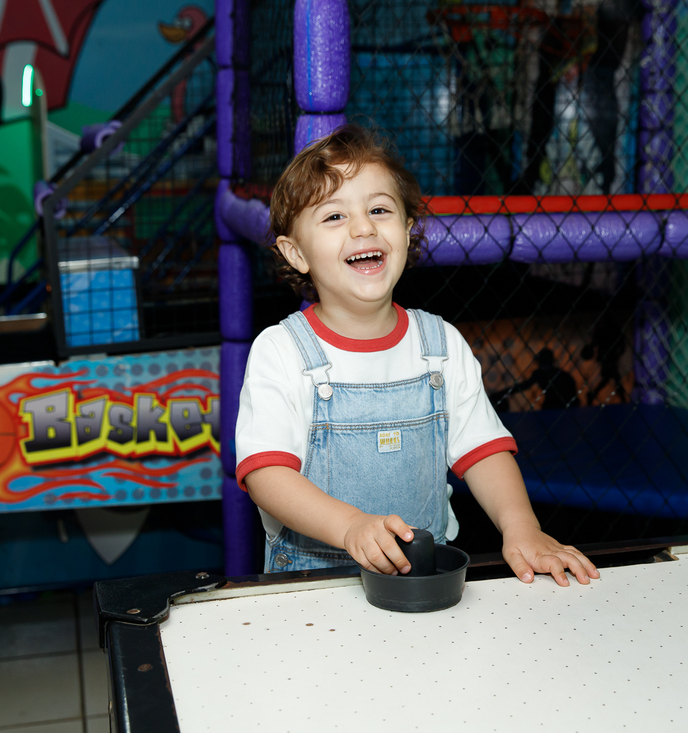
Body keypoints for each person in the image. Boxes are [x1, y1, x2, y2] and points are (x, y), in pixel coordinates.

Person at [235, 125, 598, 586]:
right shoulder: (282, 351)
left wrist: (521, 527)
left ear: (406, 232)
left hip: (423, 581)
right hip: (315, 587)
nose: (363, 227)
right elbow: (266, 474)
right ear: (296, 253)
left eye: (379, 210)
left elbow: (484, 451)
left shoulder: (439, 347)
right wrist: (349, 526)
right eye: (334, 216)